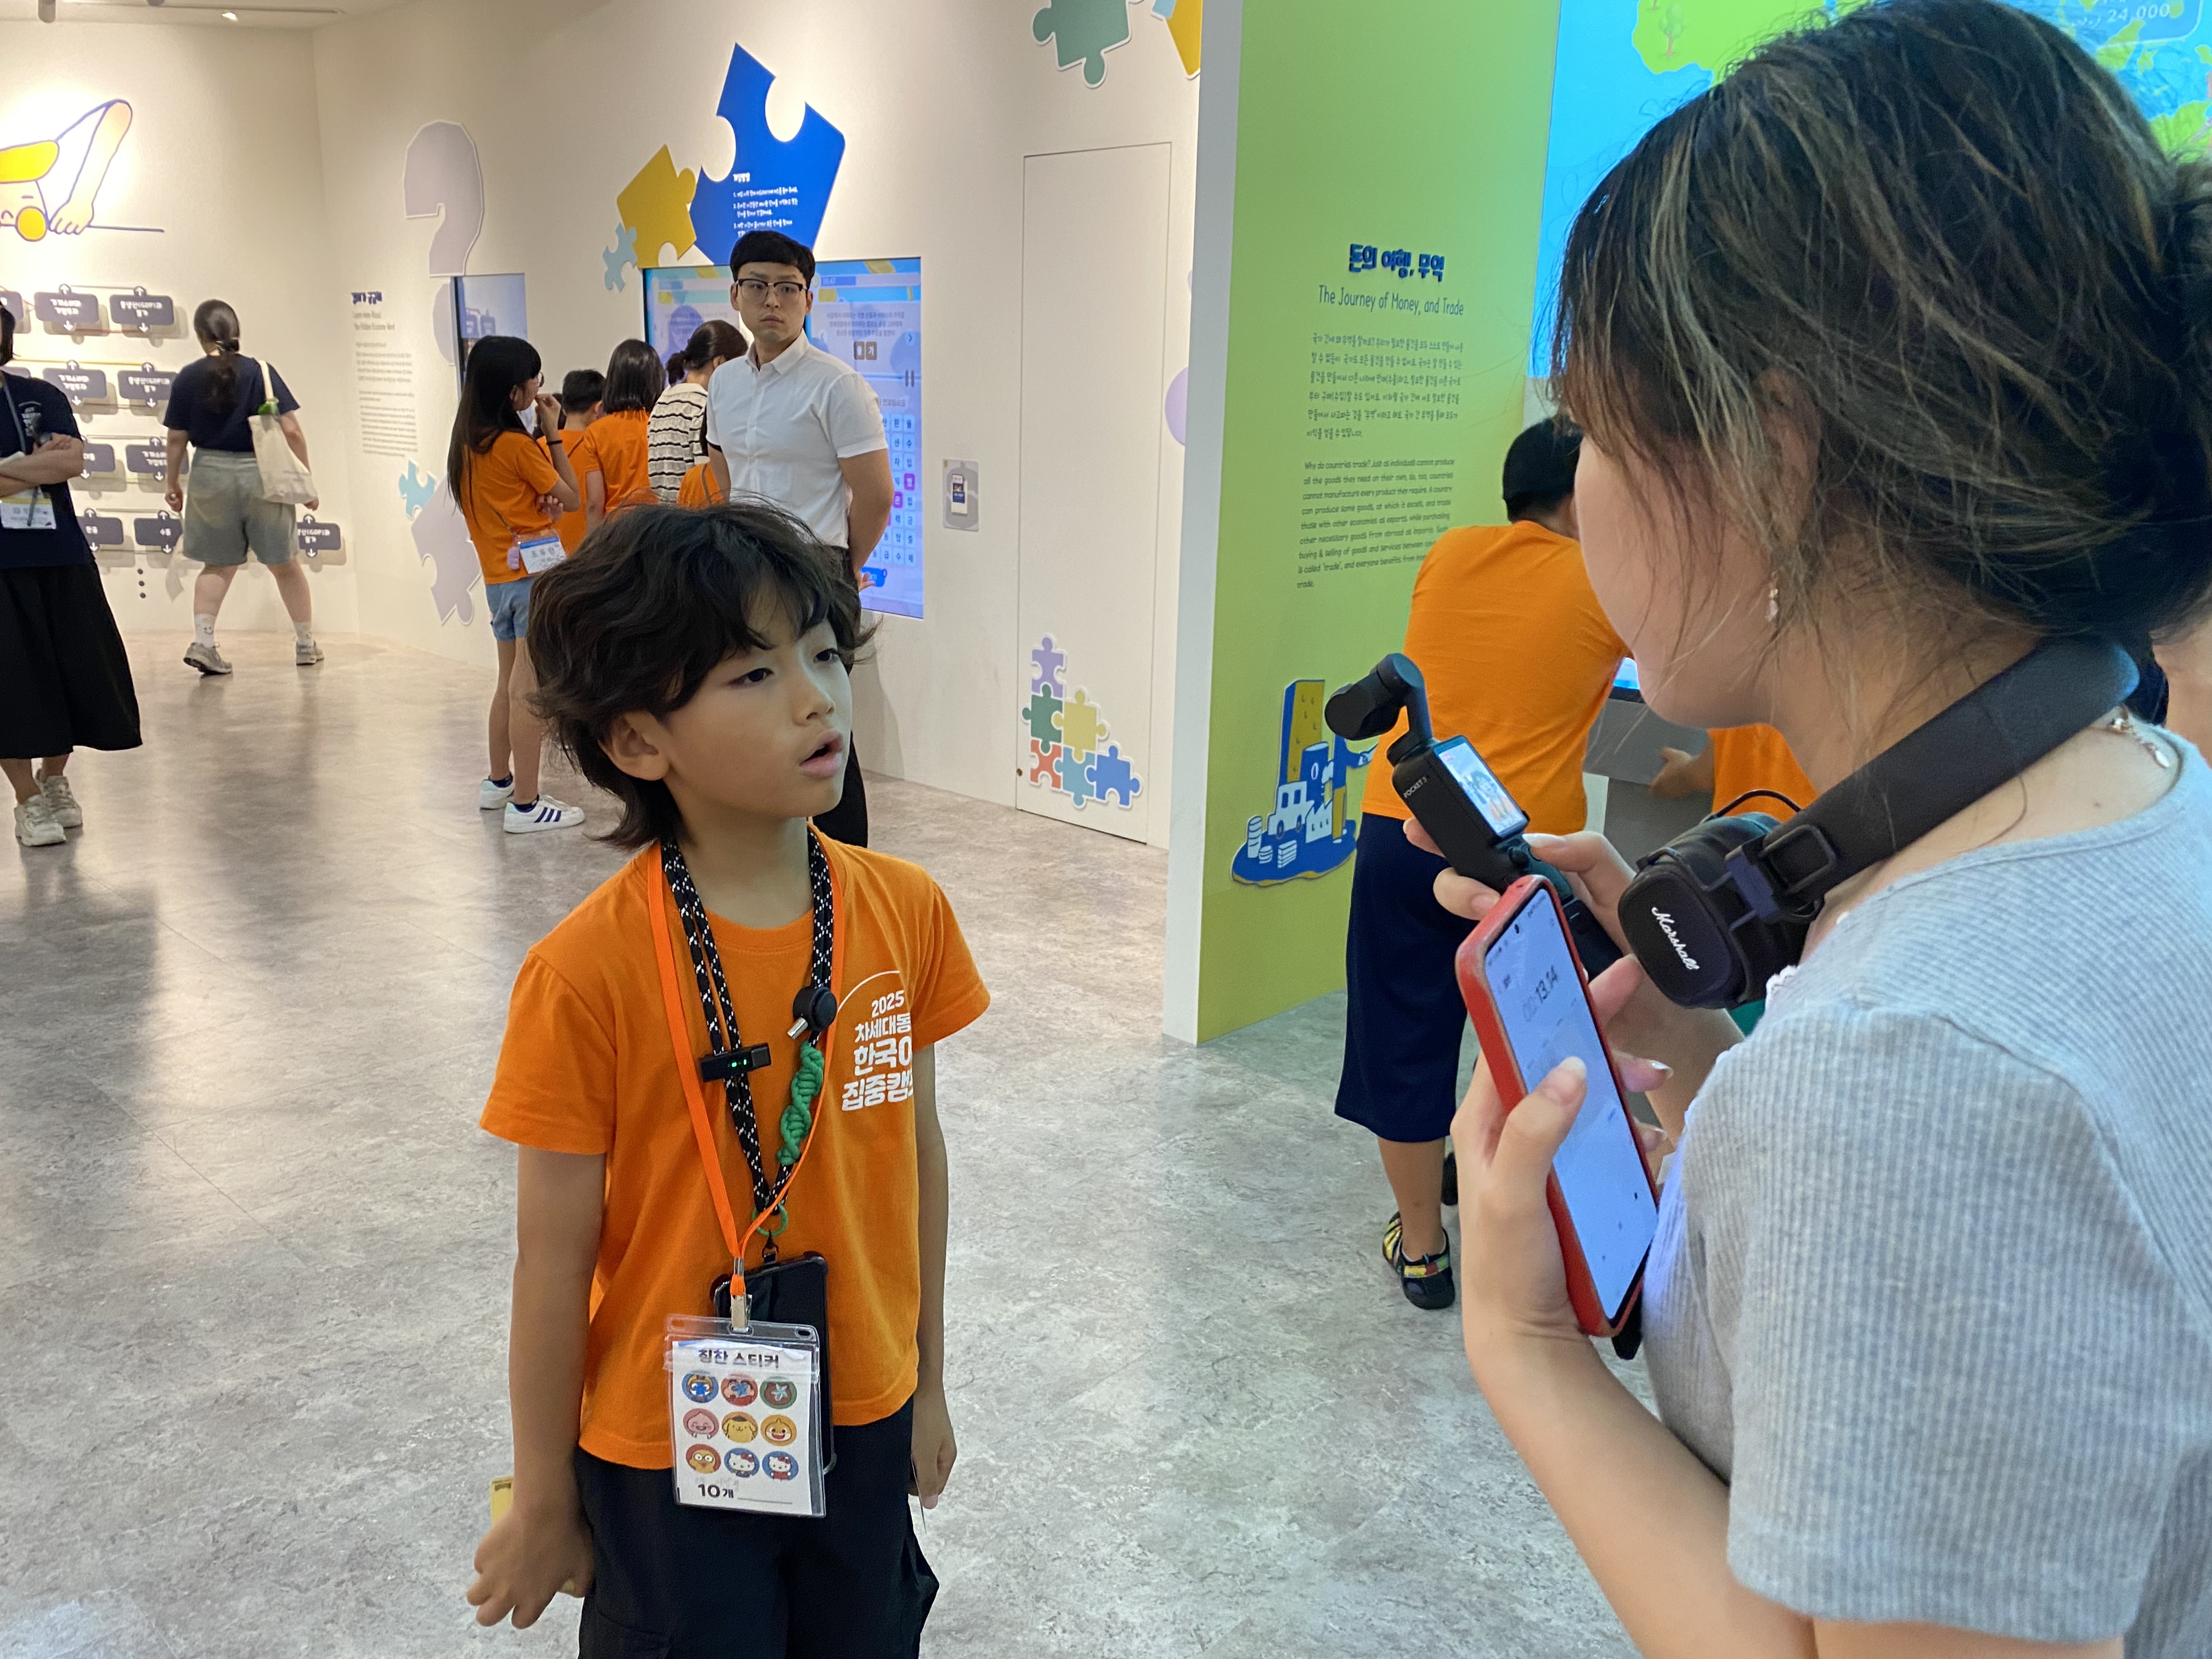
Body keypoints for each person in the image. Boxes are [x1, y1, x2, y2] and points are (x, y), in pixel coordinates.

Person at [1427, 5, 2212, 1654]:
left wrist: (1526, 1349)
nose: (1586, 491)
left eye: (1599, 432)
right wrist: (1732, 1062)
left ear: (1770, 456)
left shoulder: (1914, 1070)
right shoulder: (2147, 790)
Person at [464, 502, 988, 1656]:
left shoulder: (905, 913)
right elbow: (551, 1259)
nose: (817, 699)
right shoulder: (584, 974)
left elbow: (916, 1156)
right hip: (666, 1440)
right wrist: (544, 1495)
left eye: (823, 654)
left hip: (864, 1403)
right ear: (638, 740)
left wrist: (929, 1380)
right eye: (754, 674)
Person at [1336, 418, 1623, 1310]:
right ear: (1580, 496)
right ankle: (1507, 1198)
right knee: (1522, 1035)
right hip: (1519, 854)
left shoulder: (1450, 552)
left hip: (1403, 825)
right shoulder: (1606, 577)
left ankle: (1422, 1250)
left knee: (1401, 1034)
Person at [707, 230, 894, 848]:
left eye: (789, 288)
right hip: (743, 566)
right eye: (758, 286)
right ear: (735, 294)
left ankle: (845, 864)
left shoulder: (836, 386)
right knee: (755, 712)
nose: (773, 301)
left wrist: (841, 565)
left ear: (809, 299)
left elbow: (875, 495)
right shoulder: (725, 384)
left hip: (816, 570)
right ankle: (771, 849)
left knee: (824, 723)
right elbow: (725, 472)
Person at [1, 300, 139, 847]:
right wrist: (33, 466)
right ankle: (26, 800)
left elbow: (70, 462)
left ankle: (54, 779)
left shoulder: (41, 396)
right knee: (12, 684)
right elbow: (51, 464)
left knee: (76, 673)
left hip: (61, 555)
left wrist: (11, 470)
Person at [449, 335, 585, 834]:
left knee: (508, 680)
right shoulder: (514, 445)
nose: (538, 388)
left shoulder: (466, 445)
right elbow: (572, 498)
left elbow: (535, 504)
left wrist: (540, 504)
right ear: (514, 392)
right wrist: (553, 435)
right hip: (533, 580)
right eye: (534, 380)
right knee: (530, 686)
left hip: (498, 580)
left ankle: (499, 781)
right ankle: (527, 804)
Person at [161, 300, 321, 673]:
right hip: (263, 474)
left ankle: (204, 643)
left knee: (216, 565)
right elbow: (292, 432)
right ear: (236, 331)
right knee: (285, 563)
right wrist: (306, 480)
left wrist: (172, 484)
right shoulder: (261, 372)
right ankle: (305, 644)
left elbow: (175, 439)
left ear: (200, 335)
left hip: (209, 476)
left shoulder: (187, 377)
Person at [650, 320, 745, 504]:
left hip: (665, 516)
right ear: (719, 363)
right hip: (695, 514)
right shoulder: (703, 406)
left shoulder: (662, 402)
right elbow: (708, 483)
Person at [575, 339, 663, 534]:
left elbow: (595, 504)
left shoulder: (596, 432)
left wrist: (593, 547)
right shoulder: (661, 423)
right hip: (658, 528)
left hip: (617, 532)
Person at [1649, 724, 1816, 815]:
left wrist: (1680, 775)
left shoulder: (1746, 689)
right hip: (1818, 851)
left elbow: (1704, 775)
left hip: (1741, 852)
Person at [551, 369, 603, 556]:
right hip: (588, 550)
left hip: (548, 550)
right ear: (599, 408)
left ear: (564, 408)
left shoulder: (539, 447)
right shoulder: (599, 446)